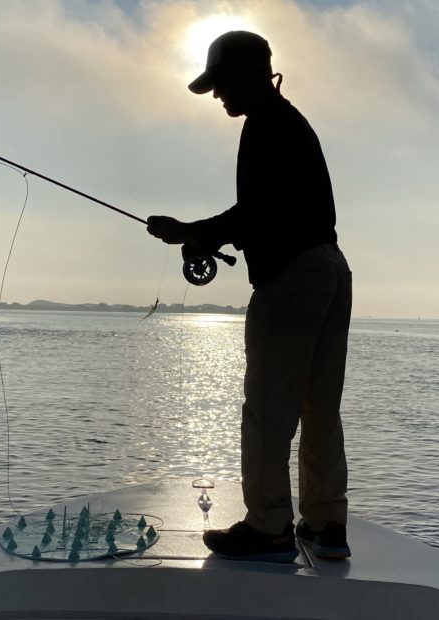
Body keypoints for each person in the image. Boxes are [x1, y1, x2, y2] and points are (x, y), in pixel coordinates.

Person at [147, 31, 352, 563]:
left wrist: (192, 230)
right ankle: (326, 523)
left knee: (267, 409)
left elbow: (258, 212)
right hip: (331, 267)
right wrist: (201, 232)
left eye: (220, 83)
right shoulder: (291, 122)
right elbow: (271, 209)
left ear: (247, 72)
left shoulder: (265, 126)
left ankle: (267, 526)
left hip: (292, 276)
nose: (217, 96)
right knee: (320, 407)